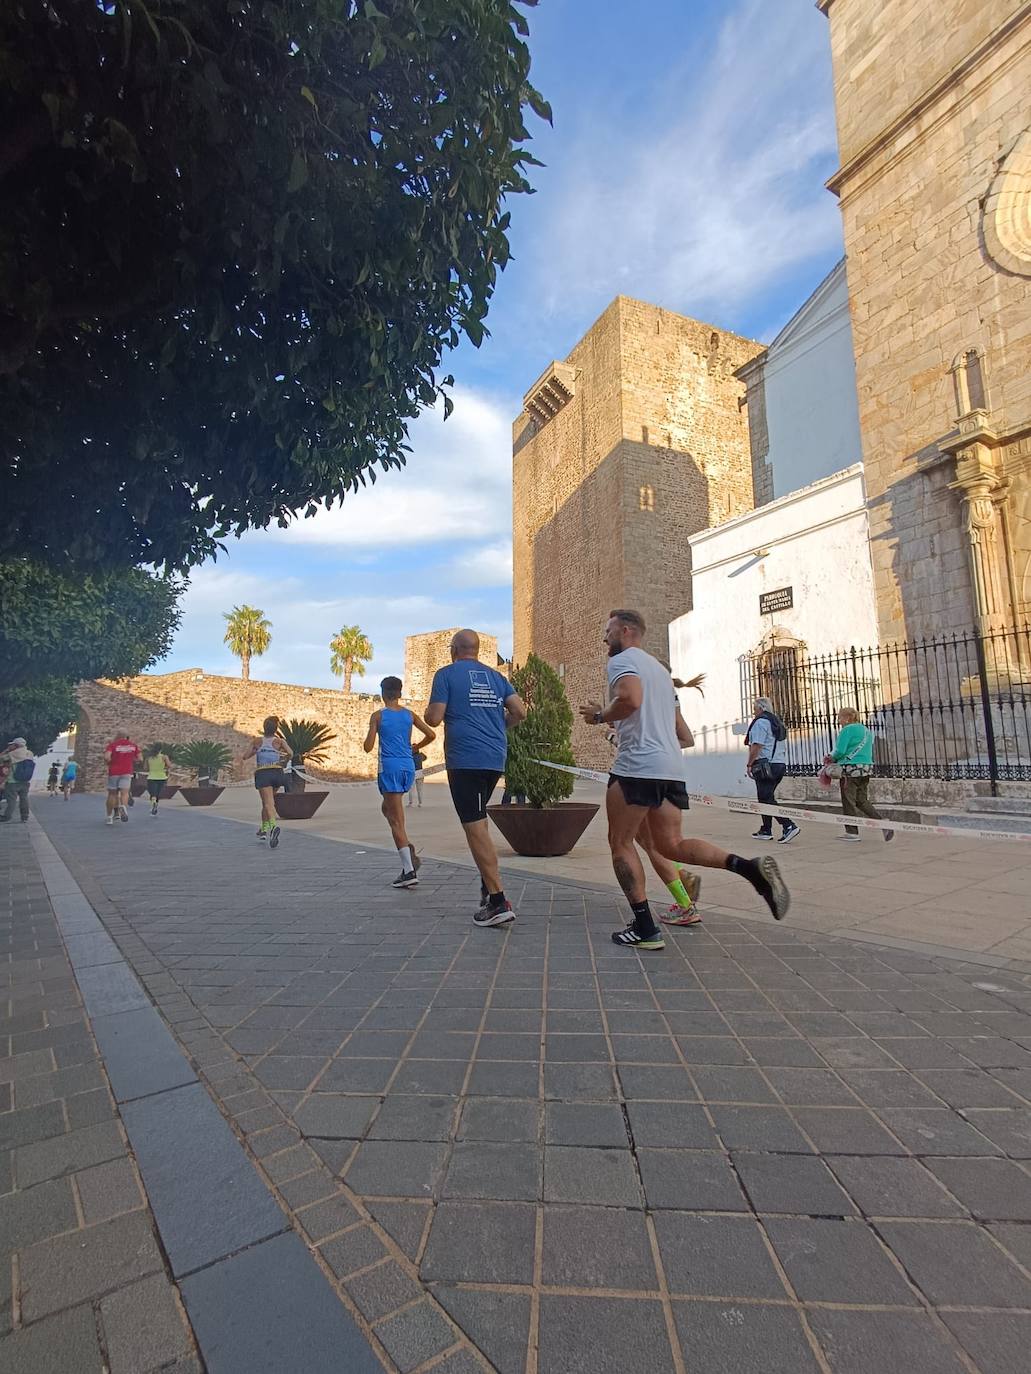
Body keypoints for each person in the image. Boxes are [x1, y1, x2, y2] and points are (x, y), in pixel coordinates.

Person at [579, 609, 790, 950]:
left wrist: (601, 715)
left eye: (608, 631)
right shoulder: (661, 672)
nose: (605, 638)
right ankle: (748, 868)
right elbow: (680, 732)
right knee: (670, 845)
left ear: (627, 630)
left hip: (636, 767)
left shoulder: (623, 660)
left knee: (620, 843)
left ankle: (645, 928)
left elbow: (630, 699)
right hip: (670, 767)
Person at [424, 629, 527, 926]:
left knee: (475, 826)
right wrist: (498, 727)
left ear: (454, 649)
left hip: (466, 759)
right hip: (494, 759)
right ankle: (487, 885)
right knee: (478, 820)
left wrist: (429, 711)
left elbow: (434, 718)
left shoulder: (446, 675)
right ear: (478, 650)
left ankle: (498, 901)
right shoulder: (497, 678)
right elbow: (520, 711)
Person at [364, 677, 436, 889]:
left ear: (382, 693)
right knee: (387, 809)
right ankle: (407, 846)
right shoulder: (409, 715)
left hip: (390, 768)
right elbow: (431, 734)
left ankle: (408, 870)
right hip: (408, 767)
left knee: (396, 821)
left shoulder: (378, 716)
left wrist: (372, 728)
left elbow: (368, 747)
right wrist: (416, 747)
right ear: (399, 693)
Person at [826, 707, 894, 843]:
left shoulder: (847, 730)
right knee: (861, 800)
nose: (839, 721)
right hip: (866, 768)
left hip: (850, 769)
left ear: (848, 718)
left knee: (848, 800)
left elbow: (840, 750)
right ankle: (882, 823)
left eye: (840, 717)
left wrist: (831, 757)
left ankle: (852, 832)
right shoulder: (866, 731)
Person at [745, 696, 800, 844]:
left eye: (754, 708)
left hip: (765, 765)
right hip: (778, 764)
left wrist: (749, 763)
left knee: (766, 798)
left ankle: (788, 825)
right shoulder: (776, 723)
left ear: (761, 708)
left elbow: (757, 745)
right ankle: (766, 829)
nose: (753, 711)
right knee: (765, 797)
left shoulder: (761, 723)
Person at [243, 716, 290, 848]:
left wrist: (255, 751)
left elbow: (245, 756)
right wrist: (284, 762)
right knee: (266, 803)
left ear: (264, 728)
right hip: (277, 773)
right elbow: (290, 753)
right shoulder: (279, 741)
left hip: (264, 773)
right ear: (275, 729)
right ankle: (263, 830)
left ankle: (273, 827)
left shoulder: (257, 741)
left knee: (269, 803)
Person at [104, 733, 141, 825]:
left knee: (112, 794)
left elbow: (107, 757)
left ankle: (109, 817)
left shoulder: (113, 745)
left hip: (114, 772)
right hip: (127, 772)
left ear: (117, 736)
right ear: (126, 736)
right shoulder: (133, 746)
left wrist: (109, 762)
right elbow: (140, 758)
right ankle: (123, 807)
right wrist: (131, 760)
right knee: (125, 793)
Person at [0, 738, 35, 823]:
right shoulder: (30, 753)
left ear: (16, 745)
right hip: (25, 781)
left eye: (12, 744)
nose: (10, 746)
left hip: (13, 781)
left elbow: (1, 758)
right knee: (24, 799)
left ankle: (7, 817)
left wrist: (7, 750)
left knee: (11, 800)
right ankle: (24, 817)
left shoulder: (13, 753)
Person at [144, 744, 173, 816]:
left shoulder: (148, 758)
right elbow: (169, 765)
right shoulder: (164, 757)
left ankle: (153, 803)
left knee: (152, 793)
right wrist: (164, 767)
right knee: (157, 793)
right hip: (162, 777)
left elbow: (145, 768)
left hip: (151, 777)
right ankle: (155, 804)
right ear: (161, 749)